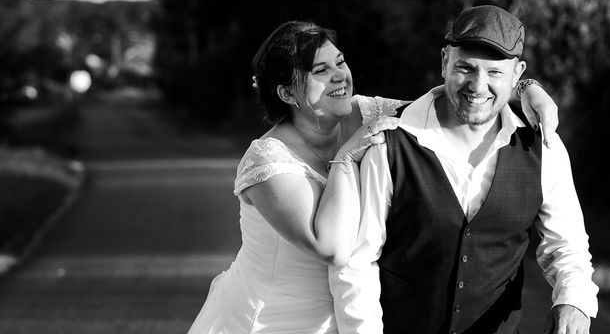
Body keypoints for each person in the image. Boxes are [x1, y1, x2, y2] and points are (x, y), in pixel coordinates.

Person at [187, 20, 560, 334]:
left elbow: (453, 100)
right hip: (274, 319)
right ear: (286, 92)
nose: (340, 76)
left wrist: (527, 89)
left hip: (345, 316)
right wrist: (346, 157)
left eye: (340, 62)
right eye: (320, 71)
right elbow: (330, 246)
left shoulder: (367, 112)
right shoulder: (267, 161)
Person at [330, 5, 598, 334]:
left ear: (518, 75)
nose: (478, 85)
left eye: (494, 73)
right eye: (465, 68)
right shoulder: (391, 142)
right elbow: (357, 262)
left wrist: (573, 301)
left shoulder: (544, 150)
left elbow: (566, 247)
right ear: (445, 61)